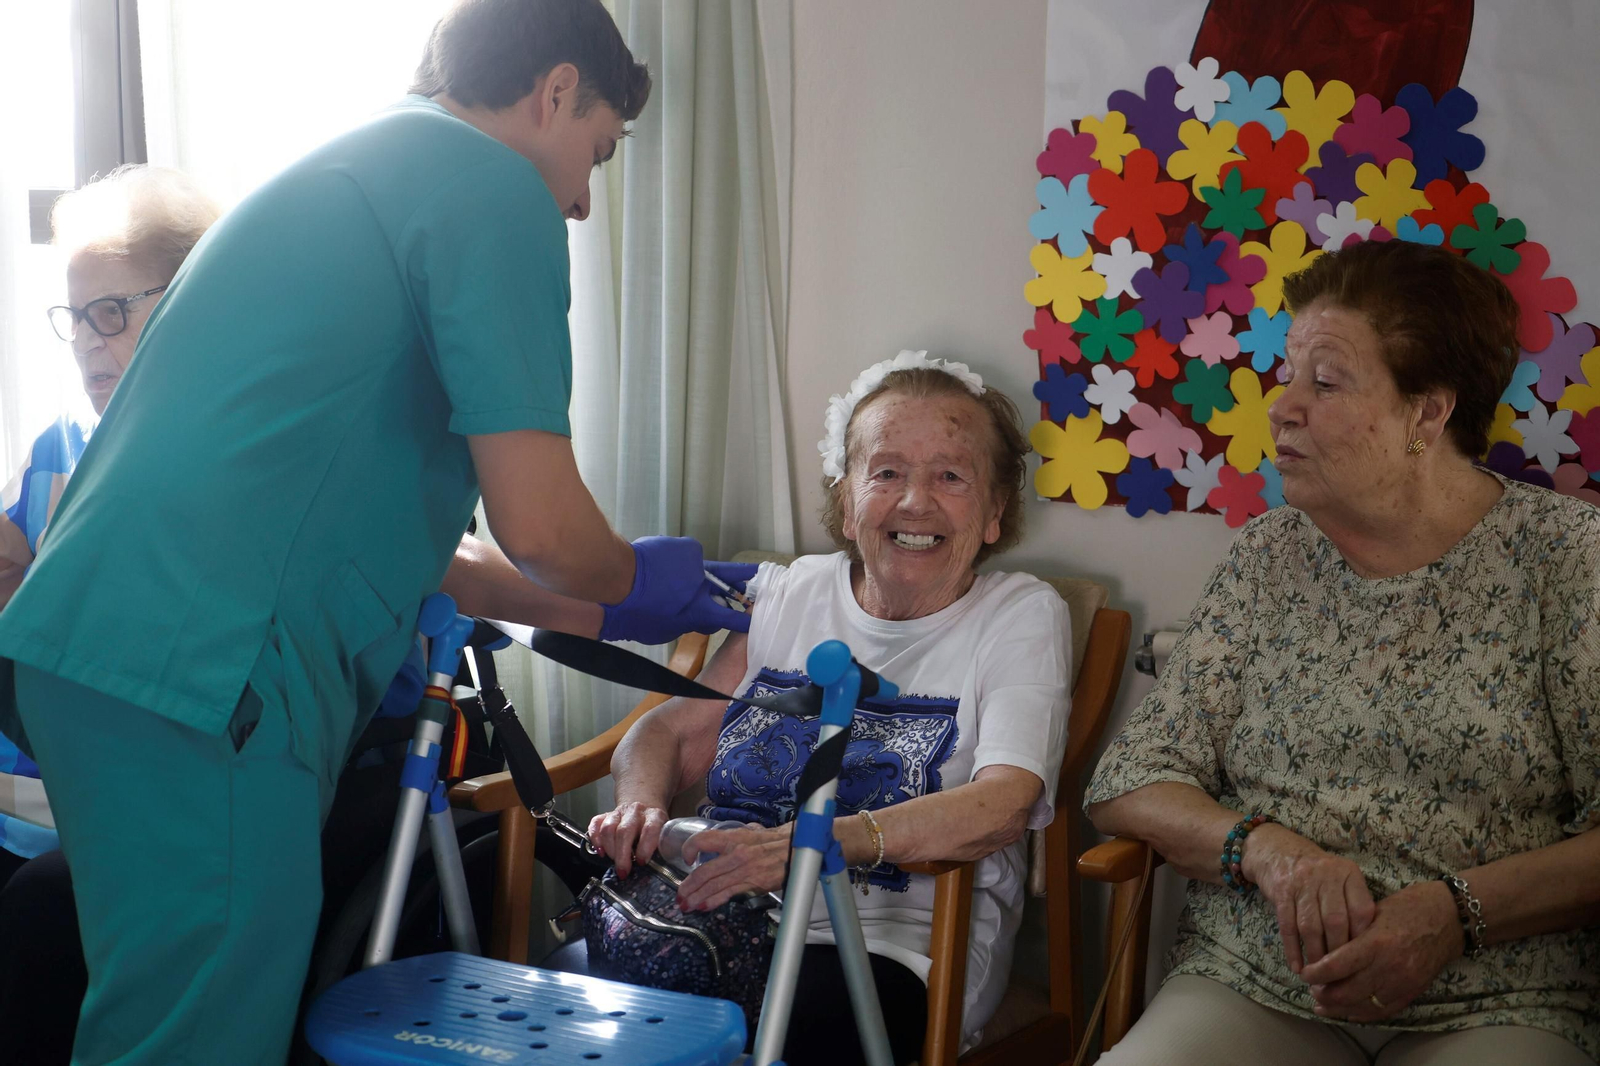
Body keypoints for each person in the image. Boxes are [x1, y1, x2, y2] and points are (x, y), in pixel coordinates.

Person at [0, 2, 753, 1062]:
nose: (584, 198)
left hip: (95, 661)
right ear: (555, 91)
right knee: (194, 1041)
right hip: (206, 676)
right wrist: (640, 575)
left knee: (152, 1014)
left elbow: (431, 555)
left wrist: (608, 610)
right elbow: (542, 524)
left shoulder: (352, 172)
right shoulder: (489, 186)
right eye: (598, 150)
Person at [1086, 240, 1600, 1065]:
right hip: (1258, 981)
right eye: (1288, 375)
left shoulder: (1567, 559)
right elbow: (1130, 781)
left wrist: (1450, 914)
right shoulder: (1269, 556)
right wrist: (1269, 851)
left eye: (1324, 383)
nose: (1281, 408)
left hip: (1500, 995)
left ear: (1426, 414)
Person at [587, 351, 1072, 1063]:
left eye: (951, 476)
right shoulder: (793, 594)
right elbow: (671, 733)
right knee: (600, 1016)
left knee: (763, 1033)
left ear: (996, 511)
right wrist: (639, 804)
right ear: (846, 502)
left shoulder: (1019, 614)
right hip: (713, 918)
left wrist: (812, 846)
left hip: (890, 946)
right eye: (887, 472)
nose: (915, 502)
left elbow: (1004, 803)